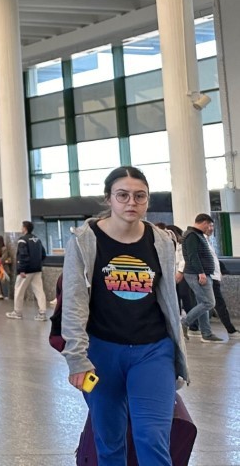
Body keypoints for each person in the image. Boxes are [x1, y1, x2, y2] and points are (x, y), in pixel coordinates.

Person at [62, 166, 188, 466]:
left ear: (147, 200)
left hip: (153, 351)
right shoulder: (84, 240)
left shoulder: (162, 240)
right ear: (109, 199)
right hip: (101, 353)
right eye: (123, 195)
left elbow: (167, 297)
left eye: (139, 196)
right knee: (108, 439)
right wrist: (77, 358)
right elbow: (74, 302)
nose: (131, 202)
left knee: (153, 437)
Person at [181, 213, 224, 343]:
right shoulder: (192, 235)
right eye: (209, 225)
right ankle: (184, 322)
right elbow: (193, 256)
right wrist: (201, 272)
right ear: (204, 222)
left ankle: (206, 333)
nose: (210, 228)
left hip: (200, 273)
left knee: (203, 303)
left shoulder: (197, 235)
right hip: (196, 274)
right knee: (209, 303)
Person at [7, 220, 48, 320]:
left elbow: (23, 255)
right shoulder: (37, 239)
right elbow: (43, 254)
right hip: (37, 269)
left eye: (22, 227)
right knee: (39, 291)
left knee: (19, 290)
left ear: (25, 228)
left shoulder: (23, 240)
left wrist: (22, 269)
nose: (21, 228)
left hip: (26, 271)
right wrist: (38, 264)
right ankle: (42, 313)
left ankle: (17, 312)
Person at [0, 234, 13, 300]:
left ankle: (1, 293)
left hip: (2, 267)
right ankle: (0, 293)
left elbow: (3, 258)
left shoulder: (4, 249)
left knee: (2, 280)